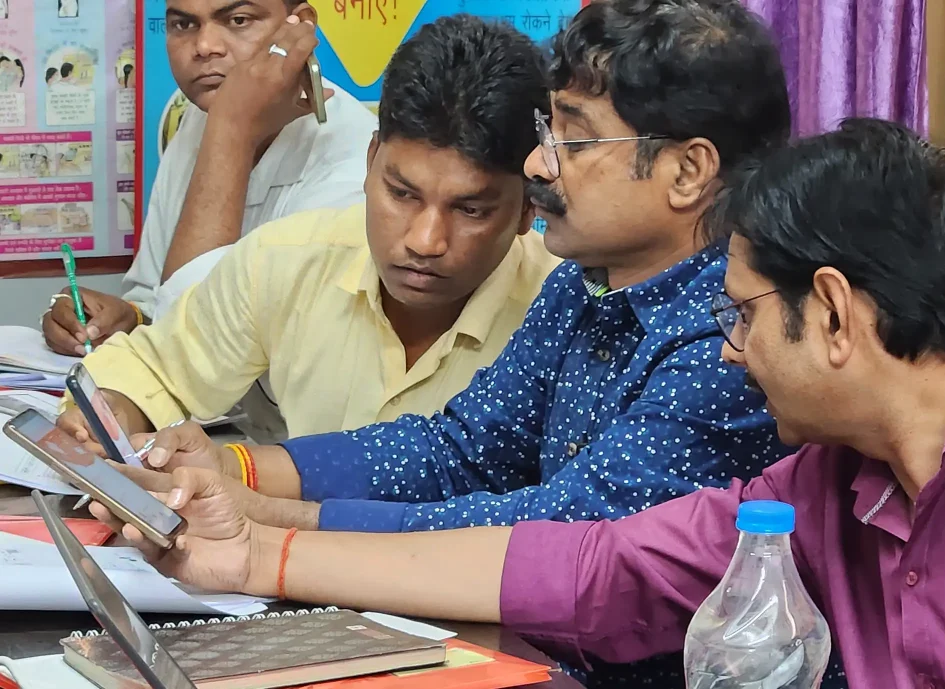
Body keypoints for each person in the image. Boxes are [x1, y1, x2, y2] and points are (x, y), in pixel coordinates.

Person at [101, 119, 945, 688]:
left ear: (830, 313)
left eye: (745, 315)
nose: (731, 348)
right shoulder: (821, 485)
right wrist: (252, 553)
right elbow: (594, 566)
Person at [96, 1, 801, 686]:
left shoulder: (734, 332)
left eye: (575, 140)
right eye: (547, 131)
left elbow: (563, 535)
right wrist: (238, 470)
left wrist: (266, 530)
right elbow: (460, 449)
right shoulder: (585, 285)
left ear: (687, 172)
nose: (538, 165)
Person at [56, 14, 559, 444]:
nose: (424, 242)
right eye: (402, 194)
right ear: (371, 161)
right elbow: (150, 372)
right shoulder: (286, 259)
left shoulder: (569, 313)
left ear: (527, 207)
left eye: (470, 210)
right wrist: (108, 418)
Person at [42, 0, 377, 356]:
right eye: (184, 25)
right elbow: (160, 303)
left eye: (238, 20)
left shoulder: (356, 165)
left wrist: (230, 133)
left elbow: (194, 353)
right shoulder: (201, 115)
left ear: (301, 27)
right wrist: (130, 317)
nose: (204, 47)